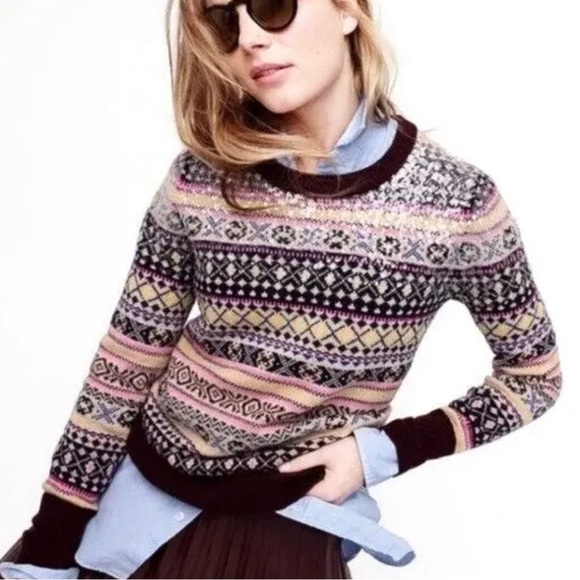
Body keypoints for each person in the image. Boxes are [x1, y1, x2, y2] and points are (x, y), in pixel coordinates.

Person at [0, 0, 563, 578]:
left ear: (348, 11)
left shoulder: (458, 203)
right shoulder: (198, 177)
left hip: (288, 525)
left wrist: (381, 452)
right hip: (136, 501)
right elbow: (125, 363)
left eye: (272, 6)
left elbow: (534, 375)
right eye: (224, 20)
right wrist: (50, 541)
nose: (248, 37)